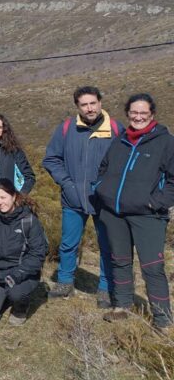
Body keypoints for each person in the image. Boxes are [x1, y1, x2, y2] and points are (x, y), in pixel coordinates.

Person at [95, 93, 174, 328]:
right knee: (119, 260)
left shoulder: (166, 142)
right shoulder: (120, 139)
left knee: (152, 267)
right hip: (114, 213)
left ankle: (162, 319)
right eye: (134, 112)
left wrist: (154, 202)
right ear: (128, 113)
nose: (138, 116)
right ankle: (122, 306)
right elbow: (104, 167)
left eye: (143, 113)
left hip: (148, 215)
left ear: (152, 114)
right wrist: (101, 189)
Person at [43, 85, 123, 307]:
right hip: (73, 199)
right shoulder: (67, 128)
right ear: (77, 106)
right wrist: (67, 184)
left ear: (100, 102)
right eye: (84, 104)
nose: (89, 108)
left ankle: (106, 289)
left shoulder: (116, 129)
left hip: (104, 200)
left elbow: (125, 162)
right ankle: (65, 282)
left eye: (93, 103)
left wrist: (111, 187)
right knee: (69, 243)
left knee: (106, 245)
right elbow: (51, 158)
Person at [0, 178, 48, 327]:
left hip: (21, 275)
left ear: (14, 196)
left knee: (16, 293)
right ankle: (2, 295)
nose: (0, 202)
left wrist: (16, 275)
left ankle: (21, 306)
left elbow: (38, 254)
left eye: (3, 197)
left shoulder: (28, 221)